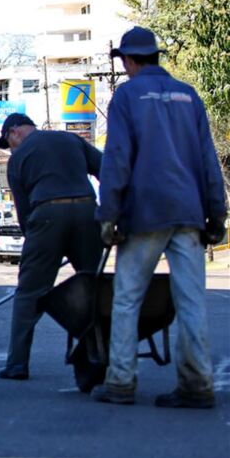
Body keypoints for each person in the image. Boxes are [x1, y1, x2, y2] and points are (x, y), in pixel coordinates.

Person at [92, 26, 227, 408]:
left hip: (145, 214)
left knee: (127, 298)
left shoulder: (128, 96)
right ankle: (197, 385)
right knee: (191, 302)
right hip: (188, 213)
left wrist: (108, 215)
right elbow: (207, 160)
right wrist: (217, 214)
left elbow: (117, 158)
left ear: (129, 60)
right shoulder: (189, 95)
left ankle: (120, 381)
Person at [0, 112, 103, 380]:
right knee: (94, 288)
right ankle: (101, 356)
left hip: (46, 215)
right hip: (88, 213)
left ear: (15, 131)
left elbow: (23, 214)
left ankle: (17, 364)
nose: (10, 150)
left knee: (29, 292)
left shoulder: (18, 159)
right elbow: (107, 169)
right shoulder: (71, 140)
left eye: (8, 143)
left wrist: (40, 244)